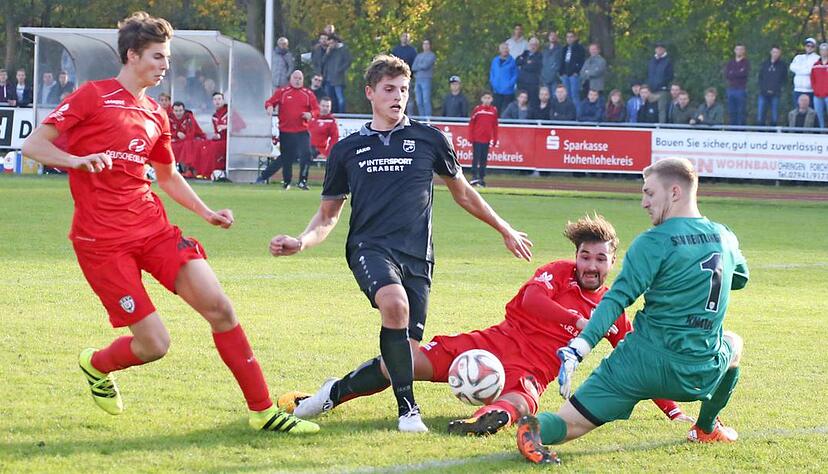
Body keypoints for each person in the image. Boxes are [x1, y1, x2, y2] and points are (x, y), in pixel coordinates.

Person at [20, 11, 318, 435]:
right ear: (132, 55)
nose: (165, 65)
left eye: (167, 57)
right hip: (102, 243)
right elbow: (33, 144)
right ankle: (97, 363)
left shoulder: (155, 114)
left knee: (221, 308)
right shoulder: (92, 96)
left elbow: (167, 176)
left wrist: (206, 212)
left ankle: (263, 411)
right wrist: (76, 160)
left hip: (153, 230)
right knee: (155, 345)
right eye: (158, 57)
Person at [266, 55, 533, 433]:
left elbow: (464, 194)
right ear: (370, 93)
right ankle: (408, 411)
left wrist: (504, 228)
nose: (398, 97)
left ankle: (332, 393)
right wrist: (301, 241)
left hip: (418, 257)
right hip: (368, 247)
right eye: (389, 89)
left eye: (404, 90)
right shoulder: (348, 149)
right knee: (394, 304)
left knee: (402, 359)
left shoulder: (430, 139)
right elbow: (328, 215)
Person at [279, 214, 690, 436]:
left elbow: (637, 361)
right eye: (586, 256)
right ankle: (329, 394)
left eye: (600, 259)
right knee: (402, 360)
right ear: (577, 255)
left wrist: (672, 412)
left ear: (611, 263)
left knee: (523, 402)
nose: (591, 265)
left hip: (531, 371)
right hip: (489, 345)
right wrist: (578, 320)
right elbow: (532, 300)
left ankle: (484, 420)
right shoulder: (557, 272)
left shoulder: (612, 308)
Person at [516, 157, 749, 464]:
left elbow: (616, 299)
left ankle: (532, 429)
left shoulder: (653, 241)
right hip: (700, 367)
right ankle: (706, 428)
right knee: (734, 345)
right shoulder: (725, 236)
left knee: (569, 423)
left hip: (638, 366)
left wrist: (580, 347)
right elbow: (740, 279)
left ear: (675, 192)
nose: (643, 202)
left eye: (649, 193)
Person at [257, 70, 319, 189]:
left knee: (306, 154)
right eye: (295, 78)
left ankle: (302, 181)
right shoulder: (283, 92)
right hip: (286, 131)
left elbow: (316, 110)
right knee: (286, 157)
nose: (297, 80)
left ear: (303, 80)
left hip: (302, 131)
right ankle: (287, 182)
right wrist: (269, 107)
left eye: (300, 78)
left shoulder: (308, 94)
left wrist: (310, 114)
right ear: (290, 79)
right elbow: (270, 102)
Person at [468, 92, 499, 186]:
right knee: (475, 158)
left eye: (489, 98)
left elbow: (495, 126)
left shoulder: (493, 111)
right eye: (485, 98)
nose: (487, 100)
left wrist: (495, 138)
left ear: (492, 99)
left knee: (483, 159)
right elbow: (471, 124)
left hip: (486, 139)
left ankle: (481, 177)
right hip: (477, 139)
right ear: (482, 99)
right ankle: (474, 176)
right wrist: (470, 137)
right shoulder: (478, 110)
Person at [169, 101, 206, 177]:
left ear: (184, 110)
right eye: (176, 111)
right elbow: (166, 131)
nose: (178, 113)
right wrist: (176, 134)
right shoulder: (169, 118)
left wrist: (177, 136)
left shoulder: (189, 117)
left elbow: (191, 134)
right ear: (172, 111)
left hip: (193, 139)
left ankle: (188, 169)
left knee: (187, 144)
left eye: (180, 111)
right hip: (177, 140)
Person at [321, 33, 353, 113]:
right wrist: (327, 53)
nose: (330, 45)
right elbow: (323, 62)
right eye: (329, 43)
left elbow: (348, 61)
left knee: (340, 98)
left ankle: (342, 114)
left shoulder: (343, 49)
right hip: (328, 78)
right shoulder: (330, 51)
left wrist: (339, 70)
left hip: (338, 78)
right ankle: (329, 113)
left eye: (332, 43)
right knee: (328, 98)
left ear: (336, 42)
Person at [757, 46, 787, 126]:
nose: (775, 54)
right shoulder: (765, 64)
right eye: (774, 52)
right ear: (771, 52)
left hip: (776, 94)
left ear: (780, 53)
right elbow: (760, 78)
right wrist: (763, 89)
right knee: (760, 115)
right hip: (763, 93)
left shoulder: (782, 65)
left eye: (777, 52)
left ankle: (773, 134)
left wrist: (776, 89)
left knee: (774, 116)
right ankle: (760, 133)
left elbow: (783, 80)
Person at [646, 42, 674, 123]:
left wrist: (664, 86)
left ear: (664, 49)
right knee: (648, 107)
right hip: (651, 89)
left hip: (663, 90)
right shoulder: (652, 61)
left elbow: (670, 76)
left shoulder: (668, 61)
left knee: (661, 109)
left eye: (661, 48)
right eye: (657, 48)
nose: (659, 50)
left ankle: (662, 128)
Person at [560, 32, 586, 113]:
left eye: (571, 37)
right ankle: (569, 114)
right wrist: (561, 72)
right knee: (567, 96)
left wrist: (577, 71)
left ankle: (577, 115)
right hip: (565, 75)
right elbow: (562, 61)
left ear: (575, 38)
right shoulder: (565, 48)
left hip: (574, 75)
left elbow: (582, 61)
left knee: (575, 95)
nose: (569, 39)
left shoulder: (579, 48)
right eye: (567, 37)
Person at [724, 44, 750, 126]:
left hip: (741, 89)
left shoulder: (746, 63)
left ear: (744, 51)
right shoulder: (730, 62)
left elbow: (744, 74)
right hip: (731, 89)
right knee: (732, 111)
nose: (739, 51)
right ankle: (732, 130)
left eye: (741, 49)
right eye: (737, 49)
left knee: (741, 111)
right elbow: (727, 75)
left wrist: (734, 73)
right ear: (734, 50)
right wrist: (738, 72)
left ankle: (741, 130)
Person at [489, 43, 518, 112]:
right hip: (496, 91)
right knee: (495, 112)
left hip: (508, 92)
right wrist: (493, 82)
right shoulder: (495, 60)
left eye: (506, 48)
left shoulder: (512, 61)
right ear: (499, 50)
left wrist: (509, 85)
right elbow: (492, 73)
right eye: (503, 48)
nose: (505, 50)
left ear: (508, 50)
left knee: (506, 113)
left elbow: (515, 75)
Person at [309, 96, 339, 162]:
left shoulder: (331, 121)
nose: (325, 108)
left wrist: (326, 154)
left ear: (330, 108)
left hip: (319, 152)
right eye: (323, 106)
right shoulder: (311, 117)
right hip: (305, 149)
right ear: (319, 105)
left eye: (327, 106)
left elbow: (334, 140)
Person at [790, 37, 818, 107]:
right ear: (805, 46)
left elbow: (810, 70)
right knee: (797, 110)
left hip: (809, 90)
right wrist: (804, 70)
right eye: (808, 46)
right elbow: (792, 67)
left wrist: (799, 70)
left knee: (809, 112)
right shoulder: (799, 57)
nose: (809, 48)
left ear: (814, 48)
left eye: (812, 46)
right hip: (797, 89)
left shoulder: (817, 58)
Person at [412, 39, 436, 117]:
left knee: (426, 100)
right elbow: (413, 67)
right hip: (418, 79)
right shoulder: (419, 55)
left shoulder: (432, 55)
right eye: (424, 44)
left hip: (426, 79)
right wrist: (421, 65)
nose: (425, 45)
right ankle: (422, 118)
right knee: (419, 101)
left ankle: (428, 118)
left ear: (430, 45)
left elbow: (426, 66)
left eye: (427, 44)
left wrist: (419, 65)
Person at [516, 37, 543, 107]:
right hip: (522, 82)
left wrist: (524, 63)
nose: (533, 46)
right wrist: (526, 62)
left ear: (538, 46)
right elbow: (517, 61)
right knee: (521, 102)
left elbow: (533, 67)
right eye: (531, 44)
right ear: (528, 45)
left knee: (532, 104)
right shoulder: (525, 53)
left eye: (535, 45)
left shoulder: (540, 55)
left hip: (533, 84)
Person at [810, 43, 828, 128]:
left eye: (825, 50)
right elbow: (812, 79)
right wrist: (815, 90)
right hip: (817, 95)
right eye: (822, 50)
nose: (824, 52)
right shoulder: (815, 65)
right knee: (818, 116)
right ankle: (821, 133)